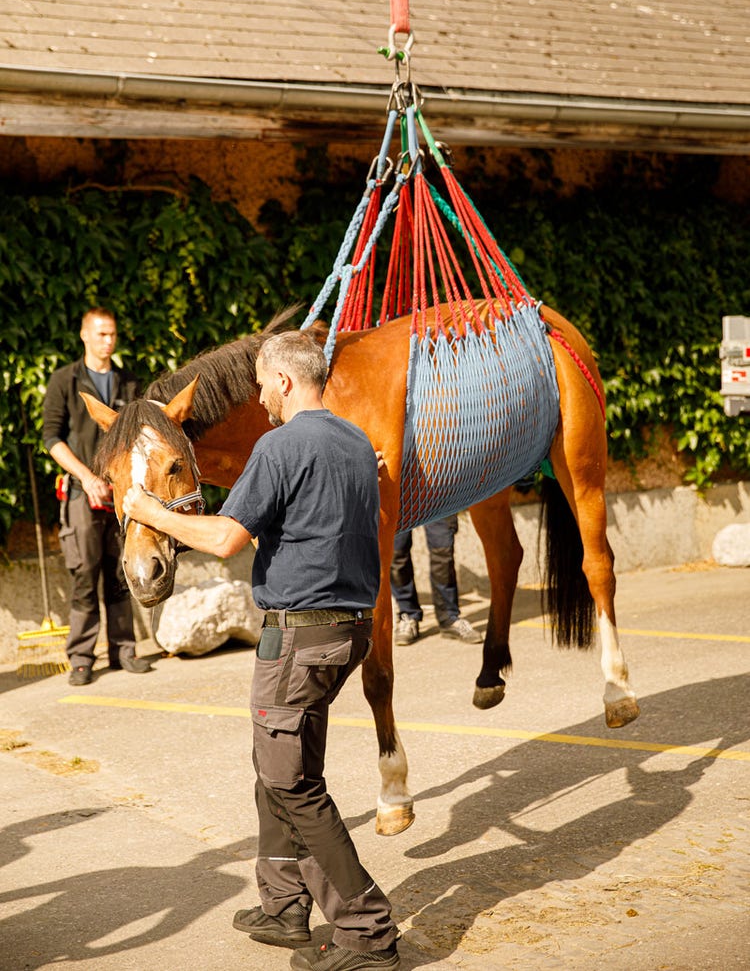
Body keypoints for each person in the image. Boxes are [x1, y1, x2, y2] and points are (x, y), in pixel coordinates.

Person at [122, 330, 401, 971]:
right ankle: (283, 906)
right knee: (275, 760)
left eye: (260, 384)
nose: (258, 396)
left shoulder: (277, 446)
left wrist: (149, 510)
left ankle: (367, 931)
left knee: (290, 780)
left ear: (282, 382)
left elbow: (225, 538)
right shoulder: (357, 441)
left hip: (299, 637)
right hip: (346, 631)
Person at [42, 306, 150, 686]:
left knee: (121, 572)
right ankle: (82, 657)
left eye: (113, 334)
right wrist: (86, 477)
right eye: (102, 334)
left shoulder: (129, 383)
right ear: (85, 335)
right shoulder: (64, 381)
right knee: (85, 575)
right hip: (80, 494)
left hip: (122, 498)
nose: (109, 341)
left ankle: (125, 651)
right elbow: (51, 438)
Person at [391, 516, 481, 646]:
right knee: (396, 552)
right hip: (399, 497)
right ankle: (408, 615)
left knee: (443, 550)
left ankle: (449, 618)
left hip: (435, 496)